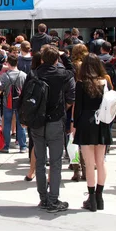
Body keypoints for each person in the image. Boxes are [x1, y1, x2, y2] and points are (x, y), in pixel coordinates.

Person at [30, 45, 75, 213]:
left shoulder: (34, 73)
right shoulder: (62, 74)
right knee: (55, 163)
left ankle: (43, 198)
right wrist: (65, 57)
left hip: (37, 121)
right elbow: (72, 77)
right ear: (57, 59)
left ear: (42, 59)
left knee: (40, 162)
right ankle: (53, 199)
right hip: (55, 120)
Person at [73, 54, 112, 211]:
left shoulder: (81, 83)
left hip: (86, 121)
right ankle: (99, 197)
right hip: (102, 121)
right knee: (100, 162)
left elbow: (79, 108)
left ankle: (91, 199)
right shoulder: (105, 81)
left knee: (89, 163)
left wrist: (74, 126)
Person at [0, 54, 27, 153]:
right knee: (21, 125)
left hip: (7, 103)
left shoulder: (4, 76)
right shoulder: (23, 75)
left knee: (6, 124)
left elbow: (0, 90)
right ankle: (23, 146)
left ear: (8, 63)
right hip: (20, 104)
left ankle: (6, 146)